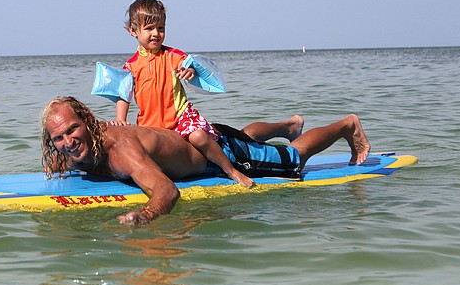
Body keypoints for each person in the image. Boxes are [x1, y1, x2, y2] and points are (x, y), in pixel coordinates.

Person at [41, 96, 371, 226]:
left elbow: (168, 192)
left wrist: (146, 215)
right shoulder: (76, 146)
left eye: (73, 130)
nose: (68, 142)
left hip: (219, 154)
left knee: (293, 159)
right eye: (59, 138)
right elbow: (67, 152)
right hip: (210, 139)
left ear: (86, 121)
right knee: (245, 136)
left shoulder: (121, 149)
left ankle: (346, 125)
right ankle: (287, 125)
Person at [115, 0, 256, 188]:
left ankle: (231, 170)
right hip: (150, 124)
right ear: (133, 31)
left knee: (198, 137)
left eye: (161, 28)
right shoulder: (130, 66)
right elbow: (124, 95)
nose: (156, 33)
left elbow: (189, 66)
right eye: (149, 29)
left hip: (180, 117)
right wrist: (121, 119)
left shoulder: (172, 56)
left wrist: (189, 71)